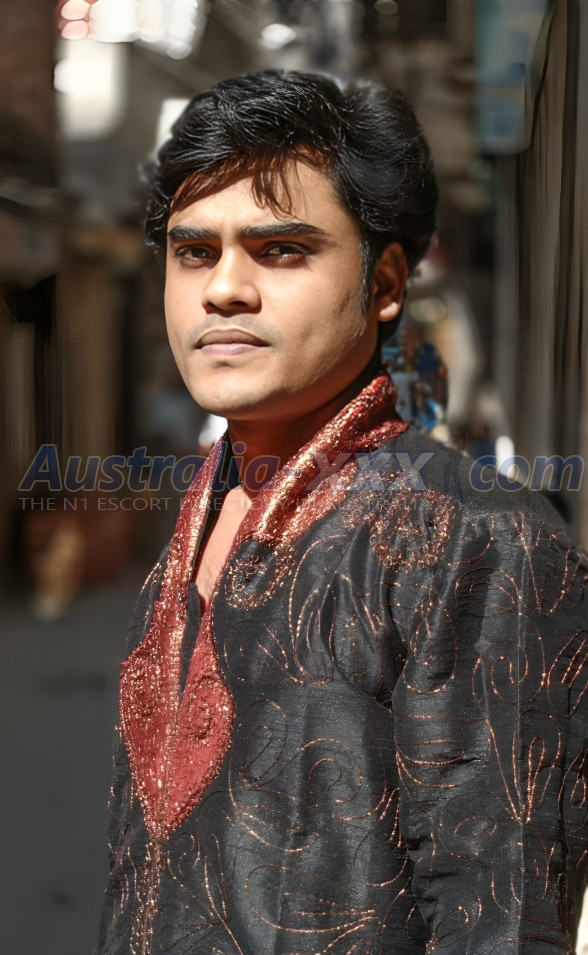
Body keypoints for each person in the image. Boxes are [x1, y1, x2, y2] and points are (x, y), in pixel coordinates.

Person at [97, 71, 588, 954]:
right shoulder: (203, 506)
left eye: (282, 249)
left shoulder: (479, 540)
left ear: (385, 282)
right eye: (194, 251)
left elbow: (504, 924)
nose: (223, 289)